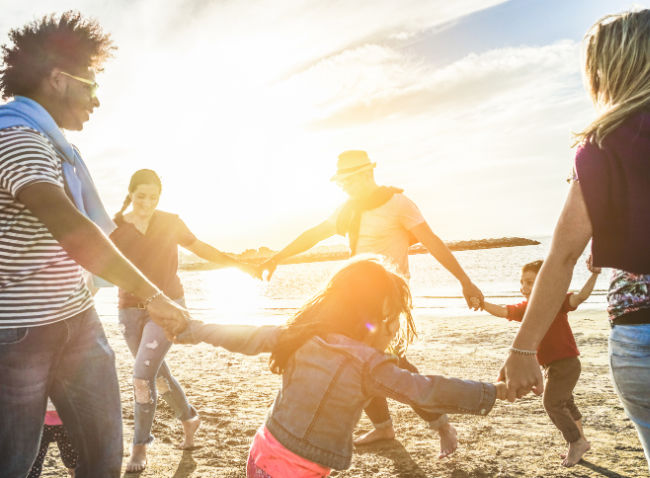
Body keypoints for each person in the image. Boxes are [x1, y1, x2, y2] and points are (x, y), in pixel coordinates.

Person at [0, 12, 188, 478]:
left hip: (77, 319)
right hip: (18, 335)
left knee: (103, 458)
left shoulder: (49, 143)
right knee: (14, 464)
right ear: (58, 79)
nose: (97, 102)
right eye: (92, 87)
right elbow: (72, 230)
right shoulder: (15, 138)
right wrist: (155, 295)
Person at [175, 258, 506, 477]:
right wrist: (492, 392)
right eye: (391, 319)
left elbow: (239, 335)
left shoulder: (302, 336)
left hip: (261, 452)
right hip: (296, 468)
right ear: (368, 318)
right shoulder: (369, 365)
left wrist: (190, 329)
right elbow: (426, 389)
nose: (393, 330)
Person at [498, 9, 650, 470]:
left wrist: (523, 348)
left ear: (607, 70)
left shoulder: (602, 145)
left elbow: (562, 257)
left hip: (639, 336)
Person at [258, 150, 484, 457]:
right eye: (341, 183)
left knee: (396, 366)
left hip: (387, 303)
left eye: (348, 181)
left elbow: (432, 242)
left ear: (366, 174)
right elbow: (315, 234)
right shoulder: (348, 210)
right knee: (356, 361)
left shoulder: (398, 204)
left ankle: (441, 425)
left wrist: (464, 280)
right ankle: (383, 428)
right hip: (353, 302)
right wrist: (278, 257)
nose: (344, 188)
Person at [110, 168, 258, 472]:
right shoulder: (116, 227)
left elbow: (199, 247)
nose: (147, 203)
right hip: (128, 308)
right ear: (131, 194)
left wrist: (238, 265)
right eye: (141, 196)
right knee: (156, 376)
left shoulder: (170, 222)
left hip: (168, 308)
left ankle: (140, 448)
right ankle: (190, 418)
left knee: (141, 378)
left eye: (153, 197)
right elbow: (99, 262)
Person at [481, 258, 600, 466]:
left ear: (544, 281)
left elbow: (580, 297)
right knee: (566, 403)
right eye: (522, 282)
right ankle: (581, 443)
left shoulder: (556, 300)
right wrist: (481, 303)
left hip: (566, 364)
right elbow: (503, 311)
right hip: (551, 367)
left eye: (529, 282)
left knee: (551, 403)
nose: (524, 287)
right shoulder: (527, 308)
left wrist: (595, 274)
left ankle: (576, 441)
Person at [27, 399, 78, 478]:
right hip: (40, 421)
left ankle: (74, 473)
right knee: (33, 461)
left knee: (72, 460)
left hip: (66, 422)